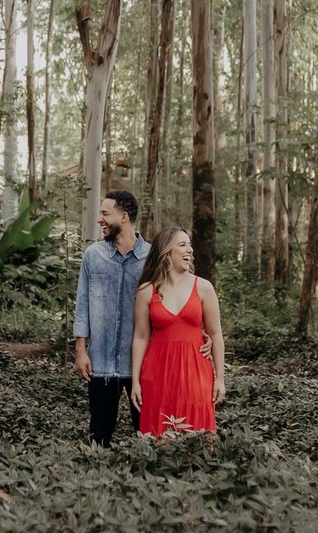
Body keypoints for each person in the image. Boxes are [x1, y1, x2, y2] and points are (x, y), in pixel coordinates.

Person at [130, 226, 225, 437]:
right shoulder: (146, 290)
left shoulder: (204, 287)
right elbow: (140, 337)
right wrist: (135, 382)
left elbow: (216, 334)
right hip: (157, 372)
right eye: (182, 245)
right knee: (158, 432)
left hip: (196, 370)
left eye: (189, 244)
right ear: (166, 252)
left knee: (197, 430)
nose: (190, 250)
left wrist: (220, 378)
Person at [72, 190, 149, 447]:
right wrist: (81, 350)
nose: (99, 219)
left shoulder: (152, 258)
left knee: (147, 434)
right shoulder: (93, 256)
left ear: (124, 217)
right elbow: (82, 305)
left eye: (105, 213)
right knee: (99, 436)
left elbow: (172, 303)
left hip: (143, 365)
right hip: (101, 363)